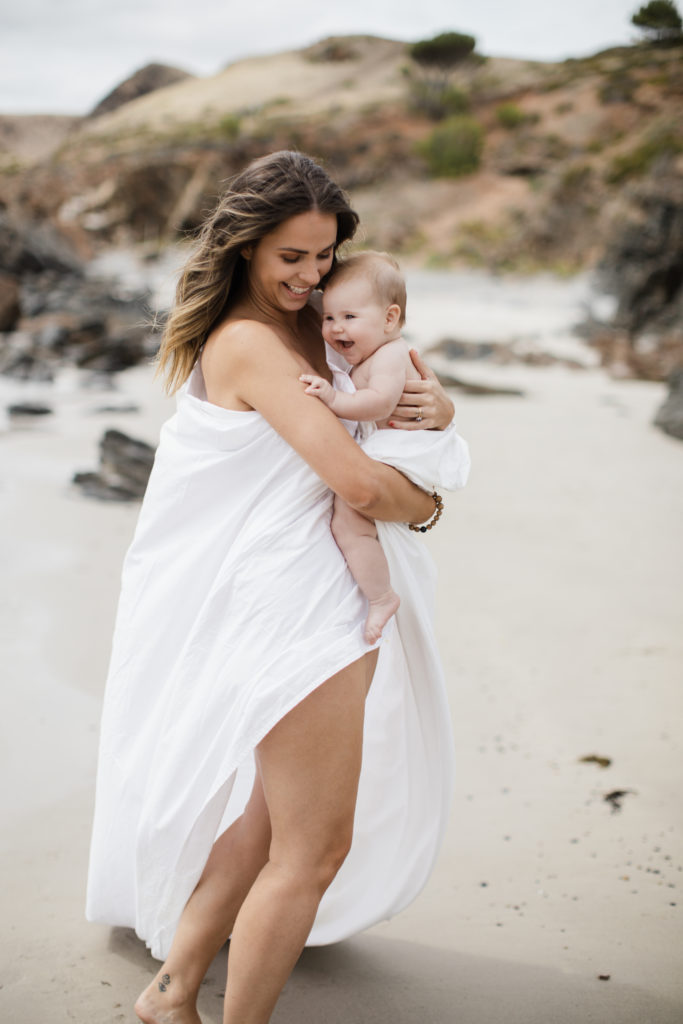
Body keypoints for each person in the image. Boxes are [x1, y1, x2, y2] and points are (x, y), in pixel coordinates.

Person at [85, 150, 468, 1024]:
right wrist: (431, 503)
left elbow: (397, 393)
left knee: (264, 821)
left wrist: (434, 410)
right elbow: (362, 486)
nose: (310, 276)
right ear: (247, 246)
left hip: (315, 588)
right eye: (290, 257)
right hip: (296, 608)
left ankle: (172, 992)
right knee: (312, 851)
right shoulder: (252, 341)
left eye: (324, 257)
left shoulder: (325, 326)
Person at [300, 249, 459, 645]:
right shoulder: (374, 350)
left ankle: (381, 596)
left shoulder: (391, 354)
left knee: (348, 520)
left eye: (350, 317)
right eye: (329, 317)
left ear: (390, 318)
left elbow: (381, 403)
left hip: (403, 447)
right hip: (393, 444)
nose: (336, 329)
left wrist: (334, 401)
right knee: (351, 521)